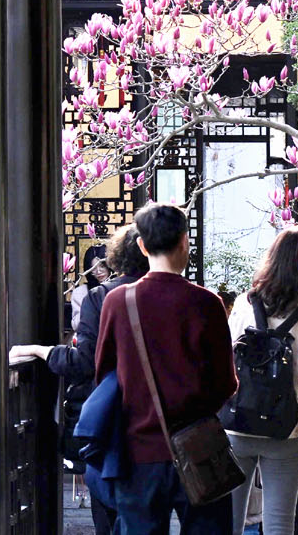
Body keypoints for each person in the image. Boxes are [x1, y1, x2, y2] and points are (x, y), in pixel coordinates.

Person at [94, 202, 238, 534]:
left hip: (137, 451)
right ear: (185, 241)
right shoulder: (207, 303)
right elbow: (226, 383)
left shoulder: (117, 302)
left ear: (142, 245)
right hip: (201, 449)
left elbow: (104, 376)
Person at [10, 224, 149, 535]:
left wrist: (38, 350)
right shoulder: (178, 295)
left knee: (109, 511)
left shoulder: (102, 297)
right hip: (165, 427)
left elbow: (84, 361)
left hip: (114, 420)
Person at [224, 227, 298, 535]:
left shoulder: (243, 304)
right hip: (287, 430)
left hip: (236, 424)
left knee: (230, 522)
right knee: (280, 524)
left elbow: (226, 359)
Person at [70, 244, 111, 333]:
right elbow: (77, 325)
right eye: (93, 268)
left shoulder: (119, 288)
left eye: (102, 266)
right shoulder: (80, 292)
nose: (98, 271)